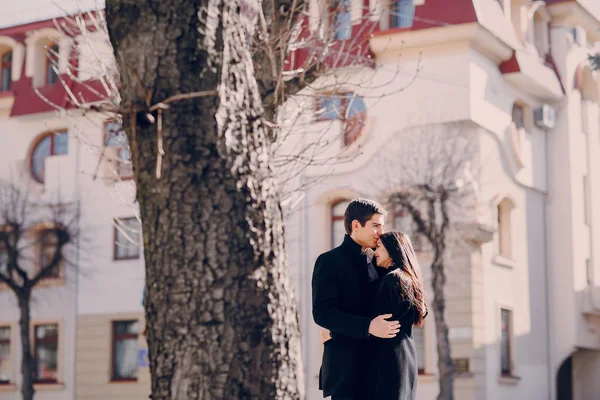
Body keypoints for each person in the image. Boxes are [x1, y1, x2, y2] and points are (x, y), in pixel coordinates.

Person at [312, 199, 400, 400]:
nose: (381, 232)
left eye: (382, 226)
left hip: (379, 368)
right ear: (356, 225)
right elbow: (322, 313)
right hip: (347, 371)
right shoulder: (328, 261)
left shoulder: (379, 261)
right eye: (376, 225)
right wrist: (368, 326)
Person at [366, 231, 428, 400]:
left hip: (389, 359)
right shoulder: (409, 279)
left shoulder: (393, 279)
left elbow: (376, 319)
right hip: (406, 358)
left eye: (378, 247)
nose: (374, 252)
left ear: (393, 249)